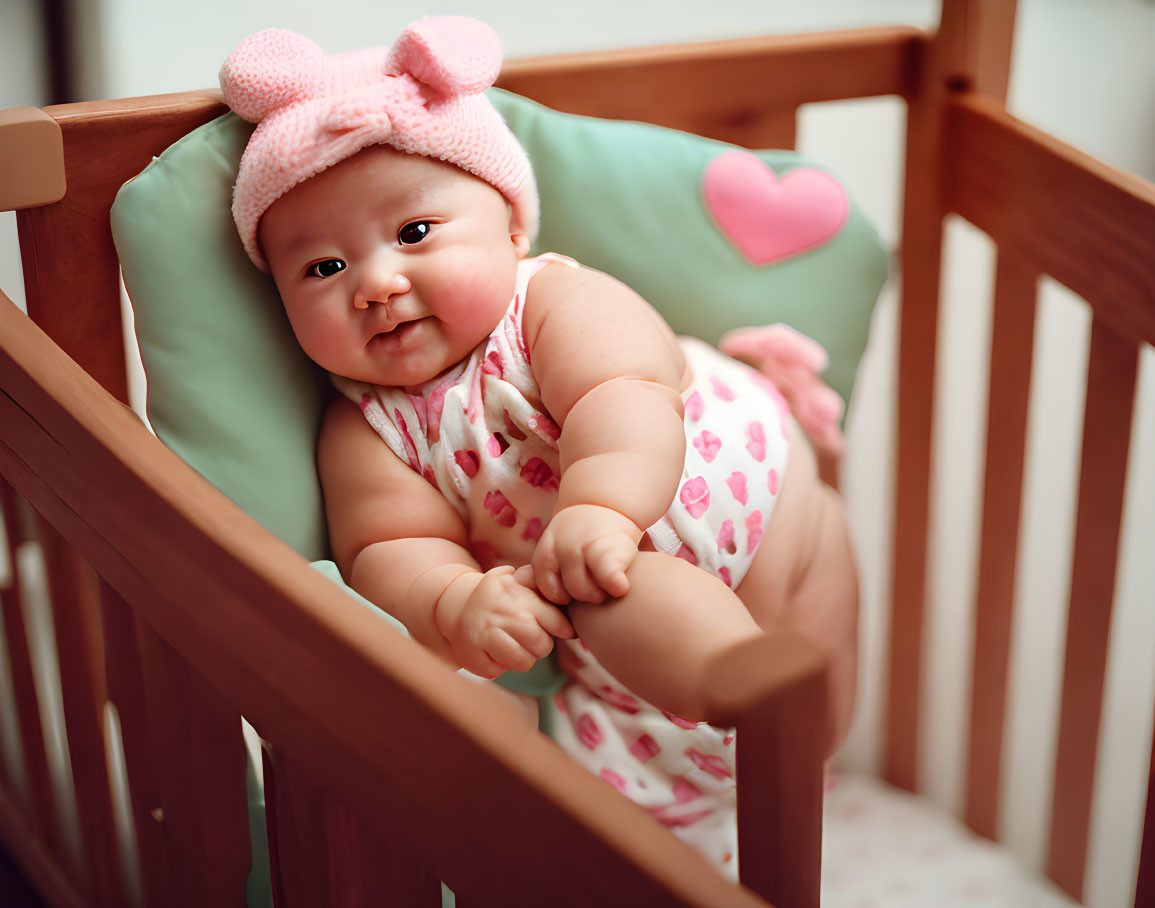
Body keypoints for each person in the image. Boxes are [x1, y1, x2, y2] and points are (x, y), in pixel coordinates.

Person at [220, 16, 858, 876]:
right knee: (620, 695)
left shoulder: (550, 303)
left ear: (512, 232)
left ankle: (761, 698)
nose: (375, 283)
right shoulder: (366, 426)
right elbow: (387, 545)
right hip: (608, 614)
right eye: (322, 269)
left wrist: (598, 505)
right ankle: (721, 805)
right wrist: (455, 603)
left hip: (766, 509)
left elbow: (623, 391)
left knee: (797, 709)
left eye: (414, 234)